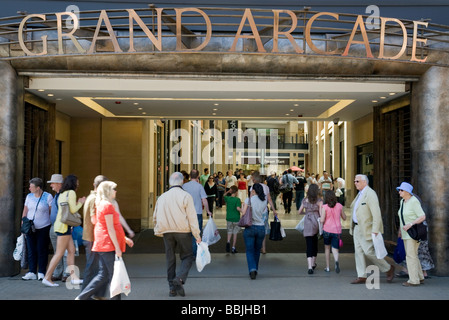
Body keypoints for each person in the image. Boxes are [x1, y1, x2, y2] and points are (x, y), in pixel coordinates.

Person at [76, 181, 134, 300]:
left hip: (105, 243)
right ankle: (83, 297)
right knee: (113, 275)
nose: (116, 191)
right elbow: (110, 228)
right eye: (114, 189)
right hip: (107, 244)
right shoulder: (106, 205)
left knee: (104, 274)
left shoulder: (104, 204)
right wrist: (118, 247)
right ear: (108, 191)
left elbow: (111, 226)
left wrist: (123, 238)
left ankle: (82, 297)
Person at [153, 172, 201, 297]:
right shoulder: (186, 196)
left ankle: (172, 288)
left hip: (167, 231)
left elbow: (155, 215)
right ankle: (179, 279)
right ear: (182, 182)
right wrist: (197, 235)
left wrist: (157, 229)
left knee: (170, 258)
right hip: (183, 231)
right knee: (188, 256)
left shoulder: (162, 197)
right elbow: (192, 217)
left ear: (170, 182)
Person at [349, 174, 395, 284]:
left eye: (357, 181)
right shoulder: (359, 194)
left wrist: (375, 229)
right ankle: (362, 275)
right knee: (358, 252)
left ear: (365, 182)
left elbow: (376, 214)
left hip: (367, 228)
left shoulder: (370, 194)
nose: (355, 183)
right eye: (355, 181)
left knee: (369, 252)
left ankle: (388, 268)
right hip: (357, 227)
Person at [42, 174, 85, 287]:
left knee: (71, 251)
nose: (78, 183)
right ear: (73, 183)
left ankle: (73, 277)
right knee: (59, 253)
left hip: (60, 226)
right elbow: (73, 209)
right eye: (77, 181)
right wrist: (81, 202)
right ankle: (47, 277)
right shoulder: (71, 193)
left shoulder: (61, 194)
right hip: (64, 227)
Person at [21, 178, 53, 281]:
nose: (29, 188)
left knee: (42, 249)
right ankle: (32, 271)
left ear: (38, 188)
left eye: (31, 186)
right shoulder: (29, 196)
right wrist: (23, 222)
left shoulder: (48, 196)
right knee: (31, 250)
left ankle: (41, 272)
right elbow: (25, 210)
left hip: (43, 227)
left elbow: (50, 212)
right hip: (30, 228)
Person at [396, 182, 426, 287]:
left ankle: (414, 280)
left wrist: (411, 224)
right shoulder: (402, 202)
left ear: (407, 192)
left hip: (412, 233)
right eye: (399, 190)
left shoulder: (414, 201)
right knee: (413, 255)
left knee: (410, 256)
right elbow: (402, 217)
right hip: (406, 233)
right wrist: (400, 229)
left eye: (401, 190)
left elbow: (422, 216)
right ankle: (420, 277)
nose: (399, 192)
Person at [241, 183, 267, 279]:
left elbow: (244, 213)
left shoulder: (249, 200)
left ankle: (252, 269)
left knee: (249, 250)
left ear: (253, 191)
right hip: (261, 227)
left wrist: (242, 207)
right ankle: (255, 268)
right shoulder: (264, 201)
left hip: (250, 227)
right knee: (257, 250)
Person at [183, 169, 212, 255]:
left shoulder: (184, 186)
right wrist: (208, 211)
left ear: (190, 176)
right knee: (196, 234)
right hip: (197, 213)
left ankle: (187, 252)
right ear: (198, 176)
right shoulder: (199, 187)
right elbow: (204, 200)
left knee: (186, 234)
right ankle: (195, 253)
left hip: (186, 213)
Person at [47, 174, 68, 282]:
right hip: (54, 227)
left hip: (62, 227)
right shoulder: (56, 195)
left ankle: (66, 273)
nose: (51, 185)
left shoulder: (65, 195)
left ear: (59, 184)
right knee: (57, 251)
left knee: (64, 252)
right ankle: (58, 272)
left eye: (53, 183)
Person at [297, 183, 322, 274]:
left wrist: (306, 214)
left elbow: (299, 212)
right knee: (314, 243)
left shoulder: (305, 200)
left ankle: (309, 266)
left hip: (307, 222)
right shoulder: (319, 201)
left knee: (309, 244)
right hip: (315, 222)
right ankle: (314, 263)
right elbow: (321, 214)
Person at [320, 190, 346, 273]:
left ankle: (327, 267)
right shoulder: (339, 206)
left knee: (327, 248)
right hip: (337, 230)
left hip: (327, 230)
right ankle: (336, 261)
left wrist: (320, 220)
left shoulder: (325, 207)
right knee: (335, 248)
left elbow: (322, 220)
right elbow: (344, 217)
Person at [224, 185, 242, 253]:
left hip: (229, 217)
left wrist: (228, 191)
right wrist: (243, 211)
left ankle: (228, 242)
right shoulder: (237, 200)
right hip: (236, 218)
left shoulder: (227, 198)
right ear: (237, 192)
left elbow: (224, 195)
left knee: (229, 231)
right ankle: (233, 247)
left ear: (231, 191)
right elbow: (238, 208)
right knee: (235, 233)